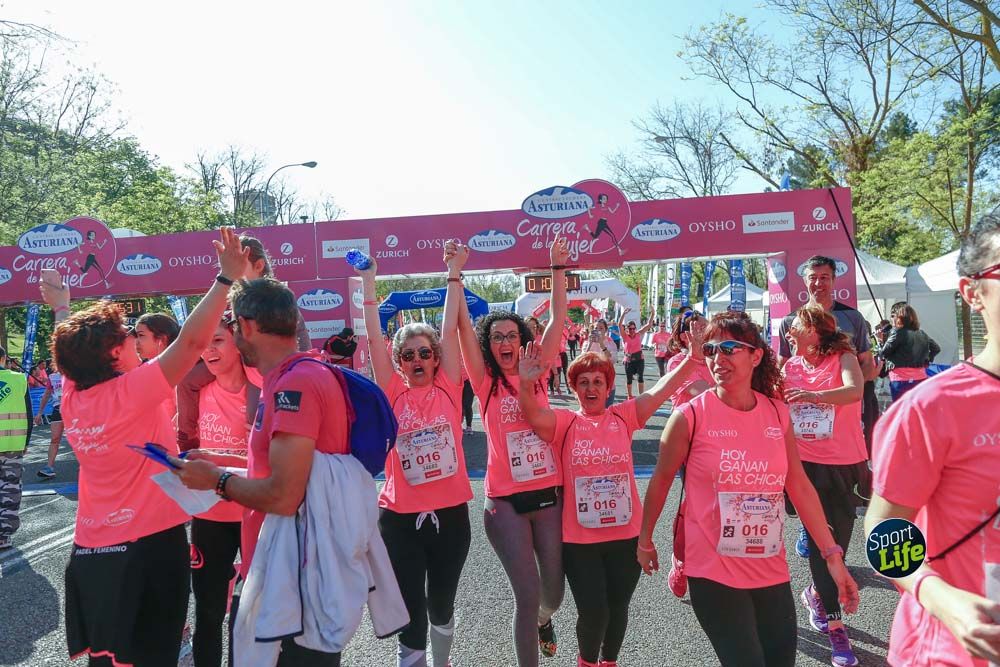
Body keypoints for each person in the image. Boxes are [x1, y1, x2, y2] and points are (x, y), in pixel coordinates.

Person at [41, 228, 248, 666]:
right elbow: (190, 343)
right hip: (150, 547)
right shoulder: (132, 391)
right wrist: (225, 279)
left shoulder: (75, 395)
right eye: (126, 339)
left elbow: (69, 346)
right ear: (114, 356)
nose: (135, 343)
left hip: (92, 552)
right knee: (155, 657)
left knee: (109, 660)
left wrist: (62, 306)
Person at [637, 311, 860, 667]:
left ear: (755, 356)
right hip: (712, 571)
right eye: (710, 350)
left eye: (729, 348)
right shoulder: (689, 416)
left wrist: (833, 557)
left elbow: (799, 486)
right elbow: (661, 480)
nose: (717, 358)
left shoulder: (777, 413)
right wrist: (646, 538)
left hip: (770, 569)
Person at [173, 275, 354, 667]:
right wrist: (221, 463)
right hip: (289, 570)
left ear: (249, 327)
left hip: (293, 577)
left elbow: (283, 495)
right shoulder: (293, 377)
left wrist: (217, 480)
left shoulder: (296, 385)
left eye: (233, 328)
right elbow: (281, 468)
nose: (233, 338)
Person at [516, 329, 706, 667]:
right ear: (574, 389)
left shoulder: (624, 416)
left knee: (618, 608)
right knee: (594, 611)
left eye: (598, 382)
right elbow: (533, 415)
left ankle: (609, 662)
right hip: (580, 540)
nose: (591, 388)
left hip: (626, 537)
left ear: (608, 387)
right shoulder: (565, 423)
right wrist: (526, 383)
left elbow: (661, 391)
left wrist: (693, 359)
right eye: (584, 382)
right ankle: (587, 661)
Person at [864, 213, 1000, 666]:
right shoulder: (931, 409)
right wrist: (943, 600)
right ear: (972, 292)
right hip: (953, 650)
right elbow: (883, 529)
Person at [356, 241, 474, 667]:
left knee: (441, 602)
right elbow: (373, 336)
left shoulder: (447, 387)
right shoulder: (391, 392)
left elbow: (449, 330)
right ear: (400, 363)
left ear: (436, 359)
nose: (419, 358)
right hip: (400, 518)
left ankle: (440, 661)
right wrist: (369, 282)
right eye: (409, 355)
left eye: (426, 353)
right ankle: (412, 661)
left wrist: (453, 273)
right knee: (409, 603)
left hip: (450, 517)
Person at [457, 236, 569, 667]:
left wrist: (557, 268)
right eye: (498, 337)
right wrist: (455, 274)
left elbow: (559, 315)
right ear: (491, 345)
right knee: (525, 596)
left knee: (553, 593)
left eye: (513, 335)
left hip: (548, 497)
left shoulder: (538, 375)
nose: (505, 341)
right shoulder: (484, 384)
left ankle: (545, 619)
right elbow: (464, 329)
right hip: (503, 503)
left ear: (524, 342)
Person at [777, 255, 882, 556]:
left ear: (834, 281)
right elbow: (784, 366)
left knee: (840, 494)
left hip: (843, 419)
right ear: (805, 280)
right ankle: (810, 530)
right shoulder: (790, 321)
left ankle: (833, 546)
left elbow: (866, 365)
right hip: (804, 425)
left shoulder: (853, 319)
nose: (818, 282)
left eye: (825, 277)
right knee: (808, 479)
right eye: (813, 276)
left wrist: (841, 390)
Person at [783, 304, 868, 666]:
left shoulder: (843, 357)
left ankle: (817, 593)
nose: (790, 332)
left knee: (840, 547)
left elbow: (854, 391)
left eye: (796, 326)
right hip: (805, 468)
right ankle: (836, 628)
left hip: (845, 463)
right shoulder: (788, 368)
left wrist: (814, 397)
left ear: (815, 330)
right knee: (824, 545)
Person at [176, 235, 311, 452]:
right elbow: (198, 339)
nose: (232, 272)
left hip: (268, 378)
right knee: (187, 380)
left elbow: (301, 351)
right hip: (245, 369)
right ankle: (186, 443)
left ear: (258, 266)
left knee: (253, 428)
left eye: (238, 266)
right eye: (227, 267)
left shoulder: (278, 301)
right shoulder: (232, 301)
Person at [188, 316, 253, 667]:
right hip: (209, 515)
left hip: (253, 513)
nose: (209, 351)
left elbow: (267, 458)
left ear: (238, 342)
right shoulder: (196, 392)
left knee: (250, 613)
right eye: (204, 344)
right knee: (208, 613)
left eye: (218, 341)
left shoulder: (259, 391)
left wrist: (217, 460)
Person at [661, 310, 716, 599]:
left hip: (724, 444)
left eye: (707, 325)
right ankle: (682, 560)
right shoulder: (676, 362)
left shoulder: (715, 358)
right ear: (685, 335)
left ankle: (711, 562)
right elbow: (704, 391)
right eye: (698, 327)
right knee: (695, 506)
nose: (705, 330)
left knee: (718, 506)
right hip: (689, 444)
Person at [0, 345, 33, 550]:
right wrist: (26, 442)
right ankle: (4, 535)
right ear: (4, 358)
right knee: (10, 488)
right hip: (13, 444)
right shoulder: (19, 379)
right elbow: (28, 415)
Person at [879, 302, 941, 402]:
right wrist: (927, 360)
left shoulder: (897, 332)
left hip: (901, 380)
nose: (891, 319)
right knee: (917, 411)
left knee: (903, 412)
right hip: (921, 378)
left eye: (893, 316)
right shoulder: (921, 333)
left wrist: (882, 342)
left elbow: (883, 353)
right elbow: (936, 348)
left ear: (899, 317)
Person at [34, 360, 64, 479]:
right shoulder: (53, 377)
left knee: (80, 438)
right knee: (55, 438)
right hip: (58, 408)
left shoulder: (77, 374)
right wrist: (39, 413)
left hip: (74, 409)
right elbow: (46, 394)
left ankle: (87, 466)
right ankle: (49, 468)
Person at [617, 309, 654, 399]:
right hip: (629, 360)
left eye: (634, 328)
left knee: (640, 377)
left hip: (639, 359)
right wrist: (623, 314)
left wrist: (653, 313)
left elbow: (648, 325)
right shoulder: (625, 336)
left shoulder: (638, 334)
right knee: (629, 380)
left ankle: (641, 396)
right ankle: (630, 396)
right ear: (627, 329)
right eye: (630, 329)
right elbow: (619, 325)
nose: (632, 330)